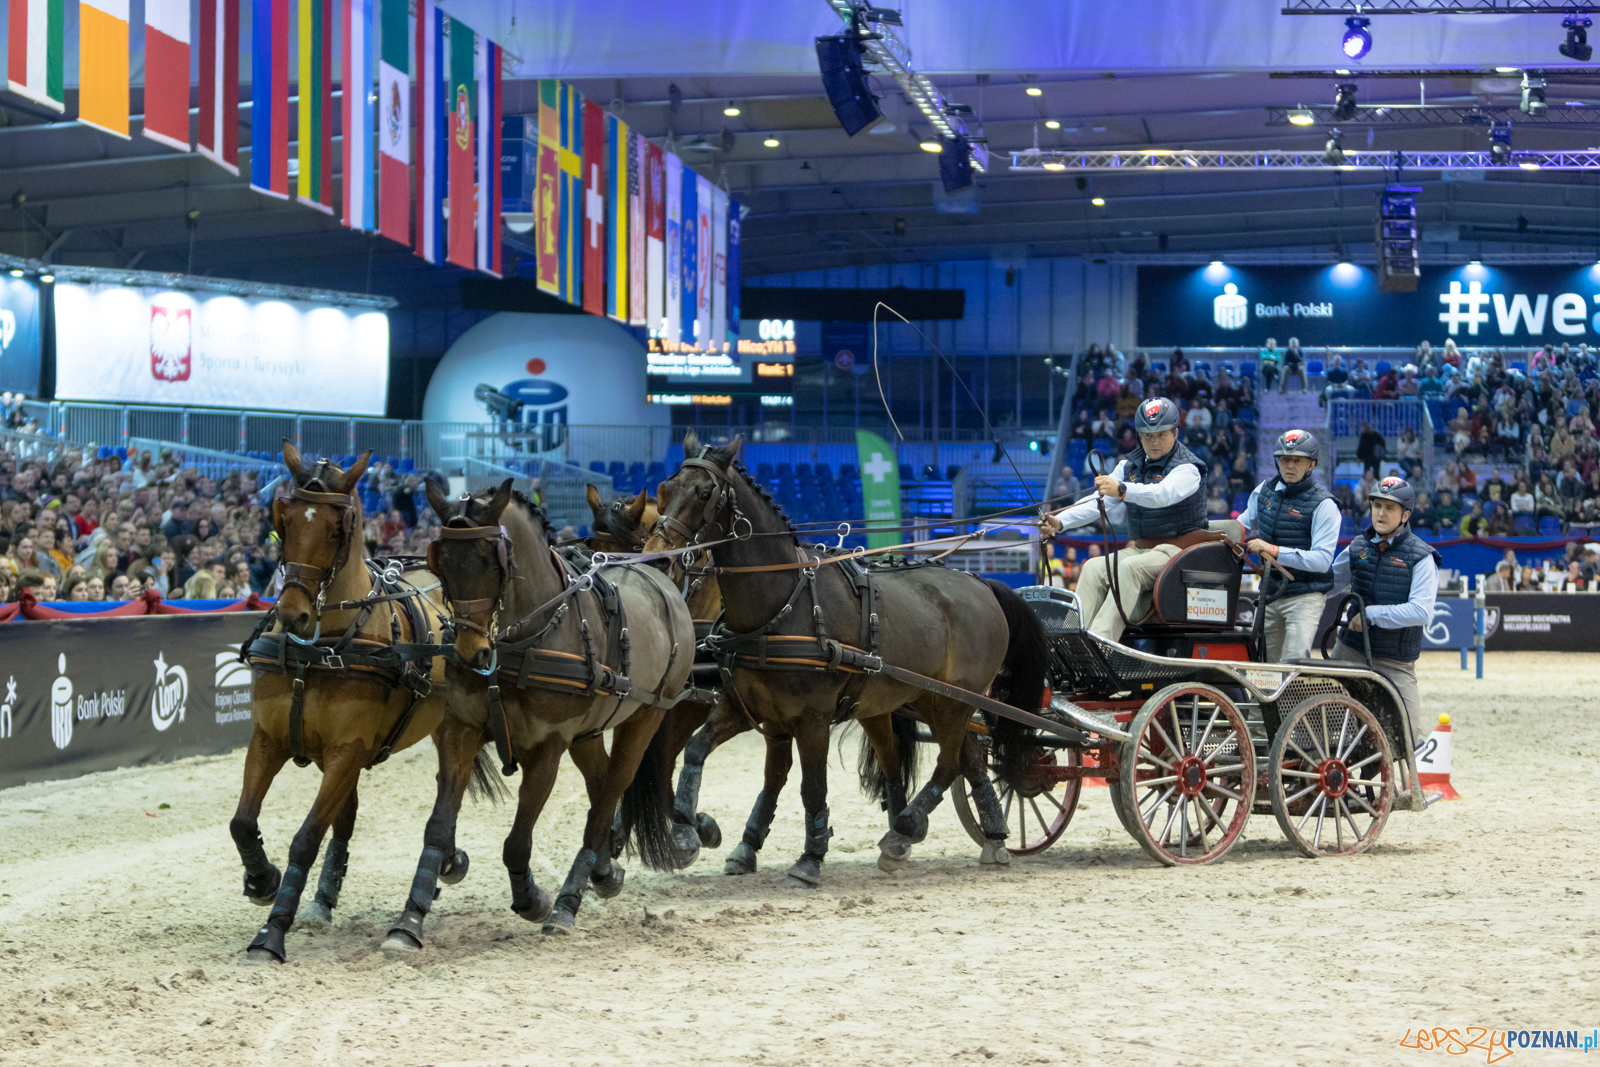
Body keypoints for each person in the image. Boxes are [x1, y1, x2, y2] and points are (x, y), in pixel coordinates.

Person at [1040, 397, 1209, 643]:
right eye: (1147, 435)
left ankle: (1099, 646)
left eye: (1161, 434)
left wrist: (1122, 489)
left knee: (1128, 569)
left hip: (1181, 551)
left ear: (1175, 432)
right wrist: (1060, 521)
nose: (1154, 441)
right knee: (1093, 567)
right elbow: (1098, 502)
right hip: (1144, 549)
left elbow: (1162, 495)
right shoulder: (1128, 466)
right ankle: (1070, 642)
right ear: (1139, 435)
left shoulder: (1187, 468)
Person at [1327, 476, 1440, 745]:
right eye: (1377, 505)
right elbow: (1328, 584)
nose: (1380, 513)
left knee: (1407, 740)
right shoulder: (1357, 547)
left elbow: (1421, 611)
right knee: (1324, 726)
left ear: (1406, 515)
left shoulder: (1422, 556)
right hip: (1350, 651)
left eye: (1390, 507)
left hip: (1395, 661)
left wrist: (1371, 614)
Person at [1241, 429, 1339, 663]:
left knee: (1294, 661)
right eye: (1285, 459)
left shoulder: (1324, 505)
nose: (1290, 465)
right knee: (1263, 661)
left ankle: (1293, 700)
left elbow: (1322, 560)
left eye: (1297, 460)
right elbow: (1242, 525)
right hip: (1271, 591)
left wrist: (1273, 550)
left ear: (1312, 464)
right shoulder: (1263, 491)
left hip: (1305, 595)